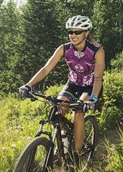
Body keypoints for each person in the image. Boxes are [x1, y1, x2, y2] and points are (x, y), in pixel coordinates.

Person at [18, 15, 105, 154]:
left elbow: (98, 77)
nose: (73, 35)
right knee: (59, 109)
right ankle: (63, 140)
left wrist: (94, 98)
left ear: (86, 33)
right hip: (72, 84)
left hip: (91, 87)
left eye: (78, 32)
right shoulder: (64, 48)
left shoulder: (96, 50)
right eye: (70, 32)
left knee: (78, 112)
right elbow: (46, 69)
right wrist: (28, 85)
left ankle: (76, 153)